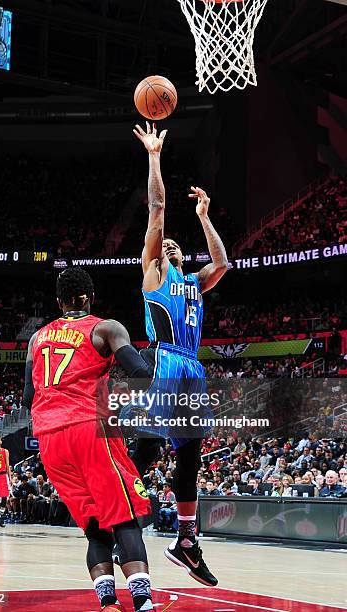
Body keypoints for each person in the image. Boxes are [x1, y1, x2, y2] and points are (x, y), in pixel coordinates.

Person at [23, 267, 157, 612]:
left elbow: (27, 398)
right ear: (91, 296)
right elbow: (140, 372)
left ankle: (108, 603)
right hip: (88, 428)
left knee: (95, 525)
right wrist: (156, 357)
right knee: (125, 515)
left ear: (59, 301)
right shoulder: (106, 328)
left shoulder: (37, 339)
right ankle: (142, 603)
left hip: (49, 437)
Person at [131, 122, 228, 586]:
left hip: (193, 368)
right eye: (161, 245)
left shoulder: (195, 283)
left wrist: (206, 216)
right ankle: (117, 512)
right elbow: (157, 210)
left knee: (190, 455)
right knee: (149, 446)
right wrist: (154, 155)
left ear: (184, 256)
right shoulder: (155, 275)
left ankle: (186, 541)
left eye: (173, 244)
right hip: (166, 360)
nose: (167, 244)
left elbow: (224, 263)